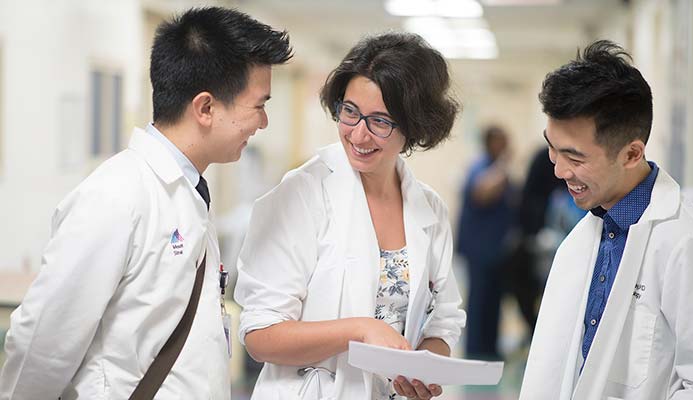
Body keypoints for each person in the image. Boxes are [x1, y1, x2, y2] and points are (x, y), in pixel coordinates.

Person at [0, 7, 292, 399]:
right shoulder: (117, 195)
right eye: (258, 105)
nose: (264, 122)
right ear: (205, 108)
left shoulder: (189, 191)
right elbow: (43, 341)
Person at [233, 32, 466, 400]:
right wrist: (360, 329)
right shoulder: (301, 194)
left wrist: (423, 367)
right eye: (350, 112)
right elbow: (262, 336)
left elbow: (444, 321)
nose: (359, 133)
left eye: (380, 121)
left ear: (415, 126)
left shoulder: (429, 208)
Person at [519, 40, 693, 400]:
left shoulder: (689, 245)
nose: (559, 170)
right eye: (552, 148)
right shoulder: (585, 235)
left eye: (574, 158)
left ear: (632, 153)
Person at [456, 125, 520, 360]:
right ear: (491, 142)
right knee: (480, 300)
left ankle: (491, 350)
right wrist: (503, 164)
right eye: (501, 141)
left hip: (497, 250)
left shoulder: (498, 170)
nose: (506, 146)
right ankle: (476, 351)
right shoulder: (481, 167)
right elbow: (482, 192)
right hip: (479, 249)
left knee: (494, 301)